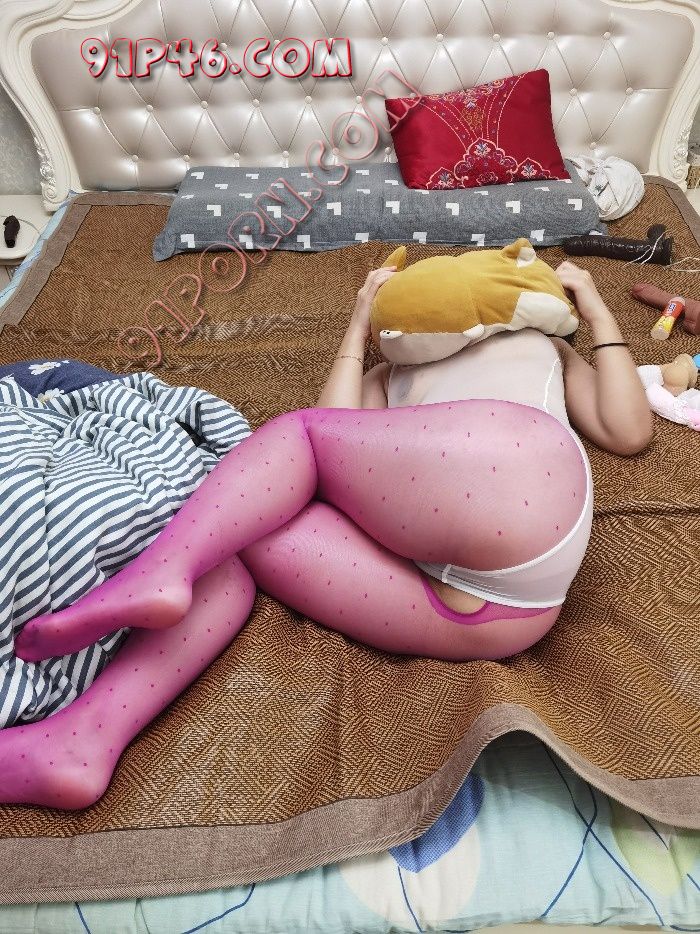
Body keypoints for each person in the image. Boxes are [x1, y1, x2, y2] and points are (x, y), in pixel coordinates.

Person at [2, 259, 652, 810]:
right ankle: (85, 739)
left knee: (298, 435)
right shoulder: (388, 376)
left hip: (529, 471)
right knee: (239, 532)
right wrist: (361, 321)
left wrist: (594, 309)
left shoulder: (543, 346)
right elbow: (337, 434)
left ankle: (162, 567)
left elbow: (628, 430)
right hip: (496, 614)